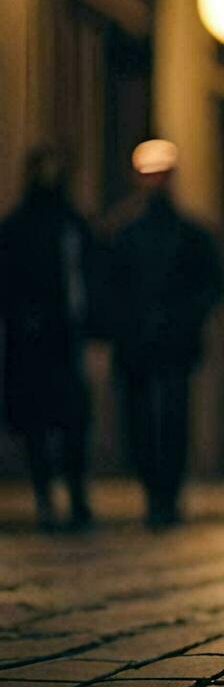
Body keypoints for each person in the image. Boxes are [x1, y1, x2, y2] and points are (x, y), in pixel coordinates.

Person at [102, 141, 223, 527]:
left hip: (174, 342)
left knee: (173, 419)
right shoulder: (123, 233)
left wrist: (185, 318)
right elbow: (108, 286)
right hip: (137, 342)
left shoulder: (190, 235)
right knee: (139, 421)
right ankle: (153, 489)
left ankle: (167, 493)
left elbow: (211, 286)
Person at [0, 147, 96, 530]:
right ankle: (45, 497)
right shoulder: (18, 228)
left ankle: (75, 494)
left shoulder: (73, 225)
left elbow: (88, 276)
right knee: (37, 424)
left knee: (73, 422)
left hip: (65, 339)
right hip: (30, 341)